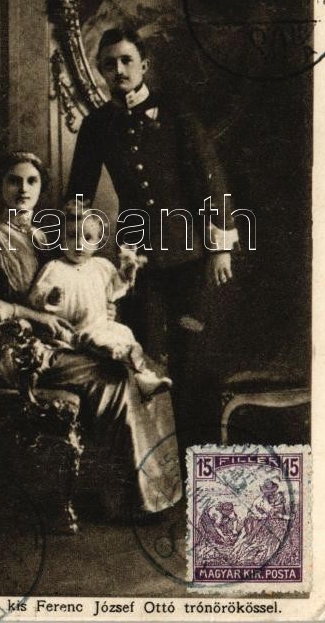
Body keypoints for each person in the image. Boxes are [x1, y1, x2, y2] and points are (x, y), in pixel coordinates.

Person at [0, 150, 181, 519]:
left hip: (55, 344)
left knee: (144, 369)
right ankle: (121, 499)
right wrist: (32, 315)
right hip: (12, 349)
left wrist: (100, 306)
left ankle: (156, 492)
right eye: (13, 180)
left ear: (41, 188)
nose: (23, 189)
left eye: (32, 181)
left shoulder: (44, 237)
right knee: (113, 377)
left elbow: (69, 288)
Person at [66, 28, 239, 448]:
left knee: (191, 355)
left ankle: (196, 454)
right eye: (109, 63)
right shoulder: (96, 125)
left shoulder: (176, 113)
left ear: (143, 65)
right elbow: (78, 195)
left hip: (190, 254)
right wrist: (71, 248)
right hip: (136, 259)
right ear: (101, 70)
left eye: (126, 60)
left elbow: (211, 179)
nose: (119, 70)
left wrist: (220, 248)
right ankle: (154, 462)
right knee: (141, 354)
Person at [28, 200, 172, 401]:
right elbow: (36, 296)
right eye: (72, 236)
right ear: (61, 238)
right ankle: (122, 357)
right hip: (74, 330)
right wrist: (50, 296)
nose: (79, 244)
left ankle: (143, 376)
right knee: (100, 341)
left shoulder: (101, 266)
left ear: (98, 241)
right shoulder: (55, 268)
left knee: (124, 332)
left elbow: (115, 289)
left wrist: (127, 272)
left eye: (87, 238)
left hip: (100, 324)